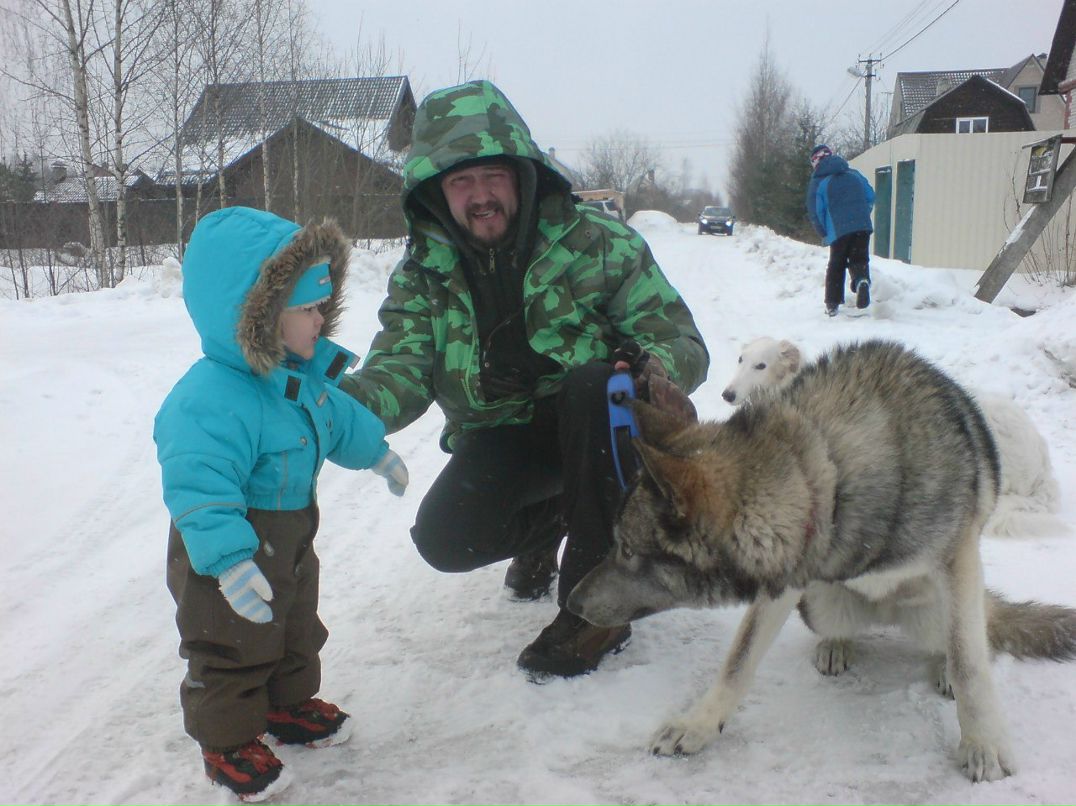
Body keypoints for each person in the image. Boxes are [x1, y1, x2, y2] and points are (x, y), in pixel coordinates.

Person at [339, 80, 709, 680]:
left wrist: (653, 369)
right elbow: (398, 370)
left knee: (596, 385)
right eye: (461, 181)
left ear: (522, 175)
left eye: (493, 177)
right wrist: (334, 408)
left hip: (603, 428)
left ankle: (597, 609)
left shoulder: (600, 243)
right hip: (503, 433)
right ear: (436, 192)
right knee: (446, 539)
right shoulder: (422, 276)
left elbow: (678, 336)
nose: (480, 196)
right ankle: (562, 520)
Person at [154, 206, 410, 800]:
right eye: (307, 310)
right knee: (230, 640)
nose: (322, 320)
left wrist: (376, 452)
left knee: (295, 623)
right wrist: (228, 562)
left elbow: (338, 417)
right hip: (230, 545)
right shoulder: (209, 400)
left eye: (323, 306)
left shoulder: (297, 376)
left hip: (292, 532)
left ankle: (288, 703)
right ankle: (227, 738)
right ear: (258, 314)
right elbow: (199, 485)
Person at [806, 144, 876, 317]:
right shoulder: (854, 174)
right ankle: (862, 281)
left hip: (838, 229)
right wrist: (862, 214)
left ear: (816, 162)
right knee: (859, 258)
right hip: (862, 225)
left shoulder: (818, 182)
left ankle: (832, 303)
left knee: (836, 264)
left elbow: (815, 211)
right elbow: (870, 195)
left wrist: (823, 232)